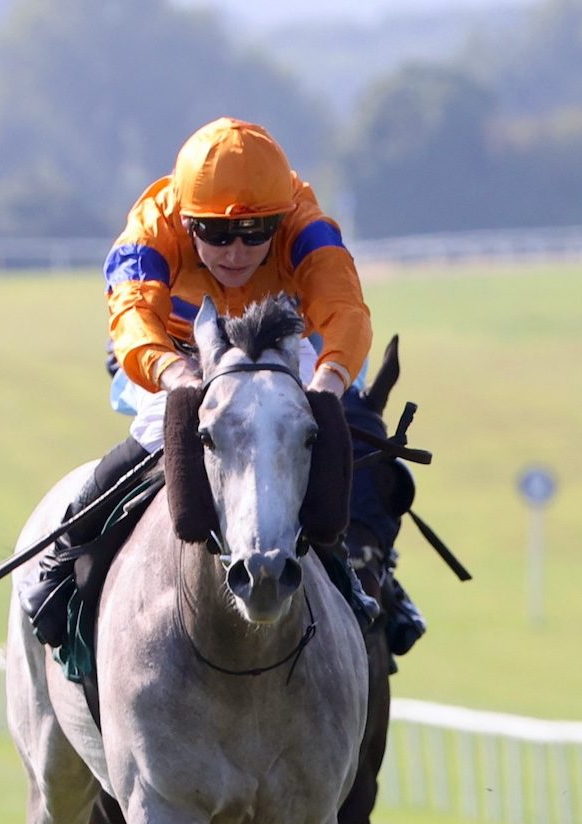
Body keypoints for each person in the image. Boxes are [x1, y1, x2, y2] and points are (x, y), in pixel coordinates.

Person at [23, 117, 423, 657]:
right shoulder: (151, 227)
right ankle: (66, 563)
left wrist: (329, 382)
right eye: (214, 233)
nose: (235, 252)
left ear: (280, 219)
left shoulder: (307, 226)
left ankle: (372, 574)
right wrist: (179, 377)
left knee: (347, 427)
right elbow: (134, 317)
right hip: (171, 348)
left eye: (256, 233)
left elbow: (345, 310)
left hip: (276, 341)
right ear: (186, 220)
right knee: (157, 432)